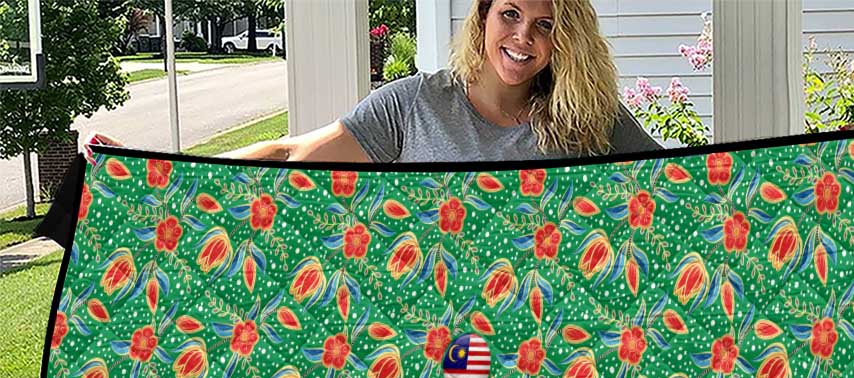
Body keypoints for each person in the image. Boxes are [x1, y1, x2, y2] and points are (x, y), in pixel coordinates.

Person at [88, 0, 661, 164]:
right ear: (483, 17)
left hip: (542, 353)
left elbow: (681, 190)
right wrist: (155, 165)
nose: (522, 37)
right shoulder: (414, 104)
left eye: (544, 25)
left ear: (564, 39)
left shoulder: (589, 116)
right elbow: (293, 152)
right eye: (510, 14)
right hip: (425, 345)